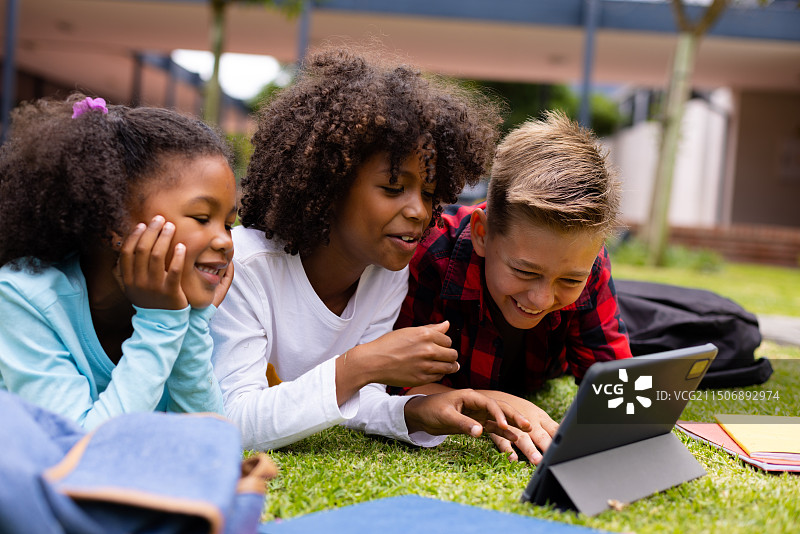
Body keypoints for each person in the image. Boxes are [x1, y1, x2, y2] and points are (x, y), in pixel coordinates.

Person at [210, 47, 533, 452]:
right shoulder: (242, 267)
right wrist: (364, 363)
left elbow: (356, 401)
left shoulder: (386, 274)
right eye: (393, 188)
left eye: (429, 193)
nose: (419, 211)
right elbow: (233, 422)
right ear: (330, 183)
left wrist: (419, 411)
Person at [395, 111, 632, 464]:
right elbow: (393, 386)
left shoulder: (591, 264)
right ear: (481, 233)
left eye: (570, 280)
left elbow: (614, 379)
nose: (541, 298)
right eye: (524, 271)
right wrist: (491, 402)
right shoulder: (431, 258)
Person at [0, 94, 236, 428]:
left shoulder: (174, 309)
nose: (225, 241)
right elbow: (81, 447)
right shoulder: (24, 298)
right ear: (114, 222)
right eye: (201, 217)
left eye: (228, 224)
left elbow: (209, 439)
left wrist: (192, 323)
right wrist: (160, 323)